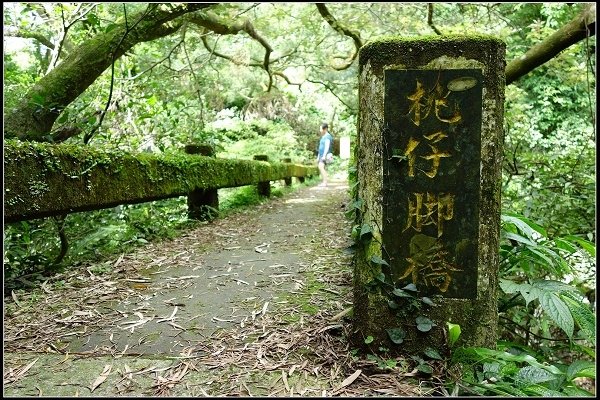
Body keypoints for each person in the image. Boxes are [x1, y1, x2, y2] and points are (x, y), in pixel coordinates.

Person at [316, 122, 334, 187]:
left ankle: (325, 182)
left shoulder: (328, 136)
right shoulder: (323, 137)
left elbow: (327, 146)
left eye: (321, 129)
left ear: (325, 129)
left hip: (325, 155)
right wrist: (318, 156)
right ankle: (324, 182)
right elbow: (320, 147)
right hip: (321, 155)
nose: (320, 130)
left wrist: (324, 155)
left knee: (321, 167)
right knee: (322, 167)